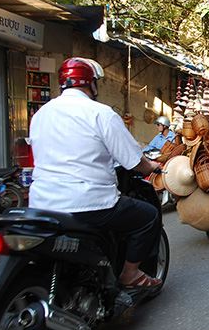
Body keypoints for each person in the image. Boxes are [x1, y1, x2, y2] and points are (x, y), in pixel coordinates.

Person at [28, 57, 162, 289]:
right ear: (91, 84)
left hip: (42, 204)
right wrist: (151, 166)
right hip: (89, 203)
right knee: (148, 216)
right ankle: (130, 274)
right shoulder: (101, 113)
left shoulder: (40, 114)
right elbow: (132, 161)